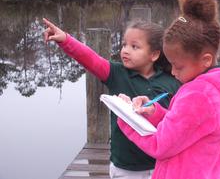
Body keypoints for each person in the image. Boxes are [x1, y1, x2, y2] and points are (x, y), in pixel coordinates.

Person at [117, 0, 220, 179]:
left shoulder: (198, 95)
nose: (173, 72)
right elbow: (190, 127)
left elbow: (161, 145)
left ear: (206, 60)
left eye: (178, 66)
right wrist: (155, 113)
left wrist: (127, 120)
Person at [43, 18, 181, 179]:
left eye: (134, 46)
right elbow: (91, 59)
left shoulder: (173, 80)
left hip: (161, 164)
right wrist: (66, 39)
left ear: (154, 54)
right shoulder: (116, 73)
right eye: (124, 45)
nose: (125, 50)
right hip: (126, 167)